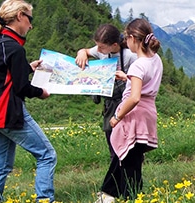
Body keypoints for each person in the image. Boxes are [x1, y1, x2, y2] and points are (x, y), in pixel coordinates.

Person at [0, 0, 57, 202]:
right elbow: (21, 87)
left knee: (1, 163)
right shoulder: (14, 48)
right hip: (9, 113)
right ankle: (44, 199)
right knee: (47, 155)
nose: (31, 25)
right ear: (20, 16)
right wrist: (41, 92)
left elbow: (1, 76)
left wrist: (26, 67)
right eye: (30, 19)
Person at [95, 18, 163, 203]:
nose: (127, 42)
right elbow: (145, 86)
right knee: (132, 158)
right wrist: (128, 78)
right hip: (148, 114)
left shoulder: (138, 64)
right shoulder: (155, 59)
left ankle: (116, 195)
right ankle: (127, 195)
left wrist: (117, 116)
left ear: (133, 38)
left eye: (127, 37)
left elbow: (134, 98)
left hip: (134, 116)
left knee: (124, 157)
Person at [75, 24, 137, 160]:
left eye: (101, 47)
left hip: (125, 102)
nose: (98, 49)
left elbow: (138, 81)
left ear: (114, 45)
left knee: (125, 136)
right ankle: (114, 164)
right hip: (109, 103)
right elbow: (86, 51)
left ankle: (126, 166)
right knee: (109, 134)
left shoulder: (130, 56)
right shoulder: (101, 52)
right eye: (97, 46)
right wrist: (82, 53)